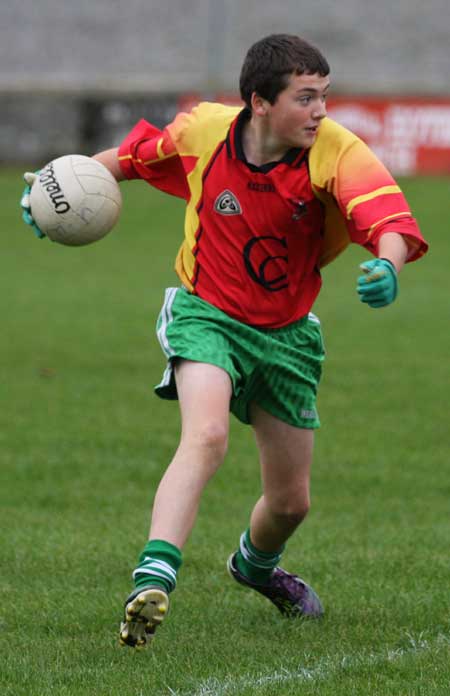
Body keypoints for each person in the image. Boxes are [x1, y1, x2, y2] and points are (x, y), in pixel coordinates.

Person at [21, 34, 428, 649]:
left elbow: (388, 219)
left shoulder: (335, 151)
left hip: (287, 336)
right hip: (205, 312)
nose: (321, 112)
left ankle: (255, 567)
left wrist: (390, 266)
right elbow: (127, 159)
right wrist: (53, 195)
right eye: (306, 98)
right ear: (260, 103)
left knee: (290, 503)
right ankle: (152, 577)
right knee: (205, 435)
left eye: (324, 96)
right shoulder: (204, 132)